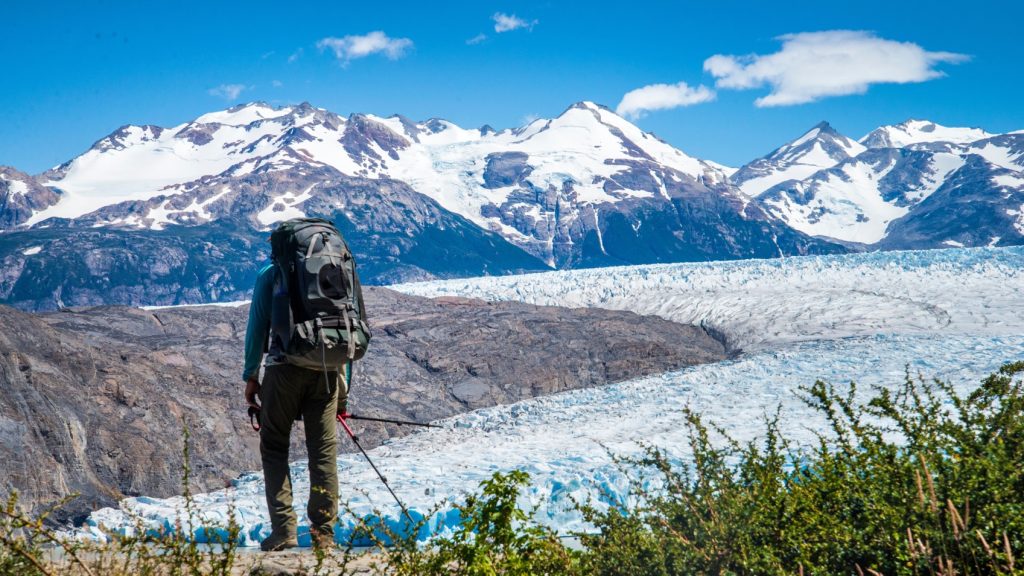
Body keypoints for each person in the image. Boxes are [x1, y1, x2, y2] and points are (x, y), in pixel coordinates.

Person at [243, 262, 347, 552]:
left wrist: (251, 375)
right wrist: (343, 394)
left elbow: (257, 326)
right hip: (327, 372)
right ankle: (324, 535)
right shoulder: (335, 270)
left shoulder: (271, 273)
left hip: (283, 369)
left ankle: (284, 530)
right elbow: (344, 330)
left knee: (275, 446)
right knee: (323, 452)